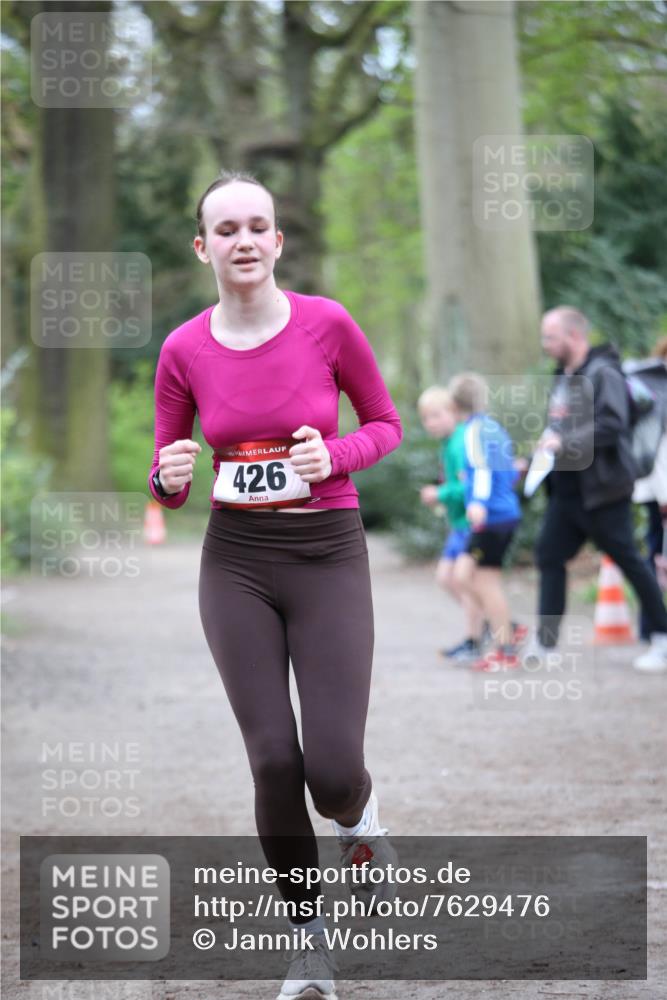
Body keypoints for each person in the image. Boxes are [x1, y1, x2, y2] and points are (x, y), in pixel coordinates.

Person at [148, 170, 403, 1000]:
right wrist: (166, 478)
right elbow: (169, 475)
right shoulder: (183, 349)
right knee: (270, 760)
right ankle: (308, 944)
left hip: (328, 554)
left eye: (257, 226)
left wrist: (335, 456)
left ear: (278, 241)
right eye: (226, 230)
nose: (244, 241)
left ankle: (360, 821)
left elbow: (385, 424)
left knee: (331, 769)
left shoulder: (327, 324)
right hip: (236, 564)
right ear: (203, 248)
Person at [534, 306, 667, 672]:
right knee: (549, 556)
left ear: (574, 336)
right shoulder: (562, 376)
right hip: (566, 493)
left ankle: (662, 637)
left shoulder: (604, 372)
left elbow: (612, 424)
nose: (545, 344)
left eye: (550, 337)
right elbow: (559, 427)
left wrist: (565, 442)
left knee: (630, 561)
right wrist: (538, 454)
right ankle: (546, 644)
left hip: (603, 491)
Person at [446, 373, 524, 672]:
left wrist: (477, 501)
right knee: (464, 575)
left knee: (483, 581)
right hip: (503, 514)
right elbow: (510, 470)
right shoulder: (494, 428)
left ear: (455, 405)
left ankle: (506, 648)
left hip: (492, 517)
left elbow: (481, 468)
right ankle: (506, 628)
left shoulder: (474, 430)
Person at [417, 385, 484, 661]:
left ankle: (476, 638)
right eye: (426, 418)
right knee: (446, 578)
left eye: (436, 415)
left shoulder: (460, 443)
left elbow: (469, 486)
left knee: (462, 579)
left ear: (454, 412)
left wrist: (439, 493)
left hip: (470, 523)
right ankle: (490, 624)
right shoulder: (447, 444)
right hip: (457, 524)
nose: (431, 423)